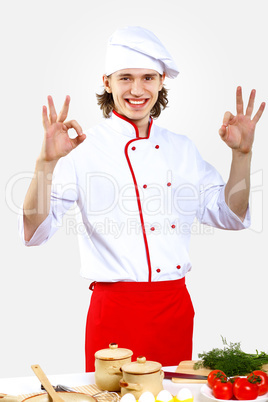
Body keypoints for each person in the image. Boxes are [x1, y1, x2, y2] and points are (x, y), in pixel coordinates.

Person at [19, 26, 265, 371]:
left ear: (162, 80)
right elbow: (35, 230)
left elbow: (230, 216)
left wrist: (242, 155)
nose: (137, 90)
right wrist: (45, 164)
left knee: (173, 396)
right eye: (125, 78)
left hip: (173, 307)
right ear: (107, 82)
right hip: (114, 310)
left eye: (148, 77)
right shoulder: (81, 149)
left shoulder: (182, 149)